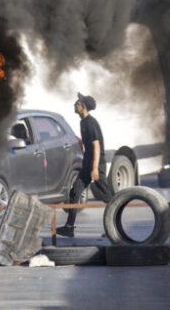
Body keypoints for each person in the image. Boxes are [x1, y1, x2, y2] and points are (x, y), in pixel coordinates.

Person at [56, 92, 110, 237]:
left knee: (108, 197)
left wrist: (94, 168)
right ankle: (69, 227)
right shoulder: (83, 122)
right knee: (75, 191)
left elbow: (97, 146)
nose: (75, 105)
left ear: (83, 106)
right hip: (88, 163)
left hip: (96, 164)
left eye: (77, 103)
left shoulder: (91, 123)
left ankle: (114, 227)